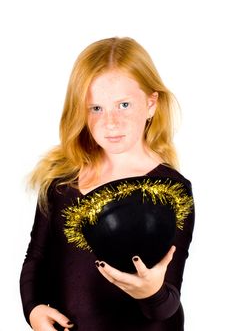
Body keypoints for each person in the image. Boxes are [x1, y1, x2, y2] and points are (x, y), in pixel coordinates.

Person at [20, 37, 195, 331]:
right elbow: (36, 257)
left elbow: (168, 302)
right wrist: (33, 308)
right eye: (96, 108)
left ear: (151, 104)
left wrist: (151, 292)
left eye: (124, 105)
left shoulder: (170, 190)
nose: (111, 122)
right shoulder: (62, 179)